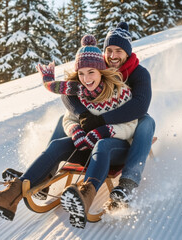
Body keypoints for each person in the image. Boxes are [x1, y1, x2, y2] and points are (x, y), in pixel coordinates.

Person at [0, 35, 138, 228]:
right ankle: (10, 197)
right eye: (81, 73)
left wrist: (104, 131)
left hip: (116, 149)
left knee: (102, 145)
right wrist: (75, 130)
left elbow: (131, 125)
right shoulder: (79, 93)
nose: (86, 79)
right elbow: (68, 117)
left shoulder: (120, 92)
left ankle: (86, 197)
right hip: (87, 146)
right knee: (57, 145)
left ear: (101, 71)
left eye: (91, 72)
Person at [60, 22, 155, 206]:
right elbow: (68, 90)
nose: (112, 56)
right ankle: (46, 175)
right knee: (64, 118)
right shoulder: (95, 65)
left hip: (127, 122)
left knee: (147, 122)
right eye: (109, 50)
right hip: (96, 116)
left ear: (127, 52)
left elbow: (140, 105)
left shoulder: (139, 73)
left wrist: (102, 120)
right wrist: (83, 115)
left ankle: (128, 183)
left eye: (118, 50)